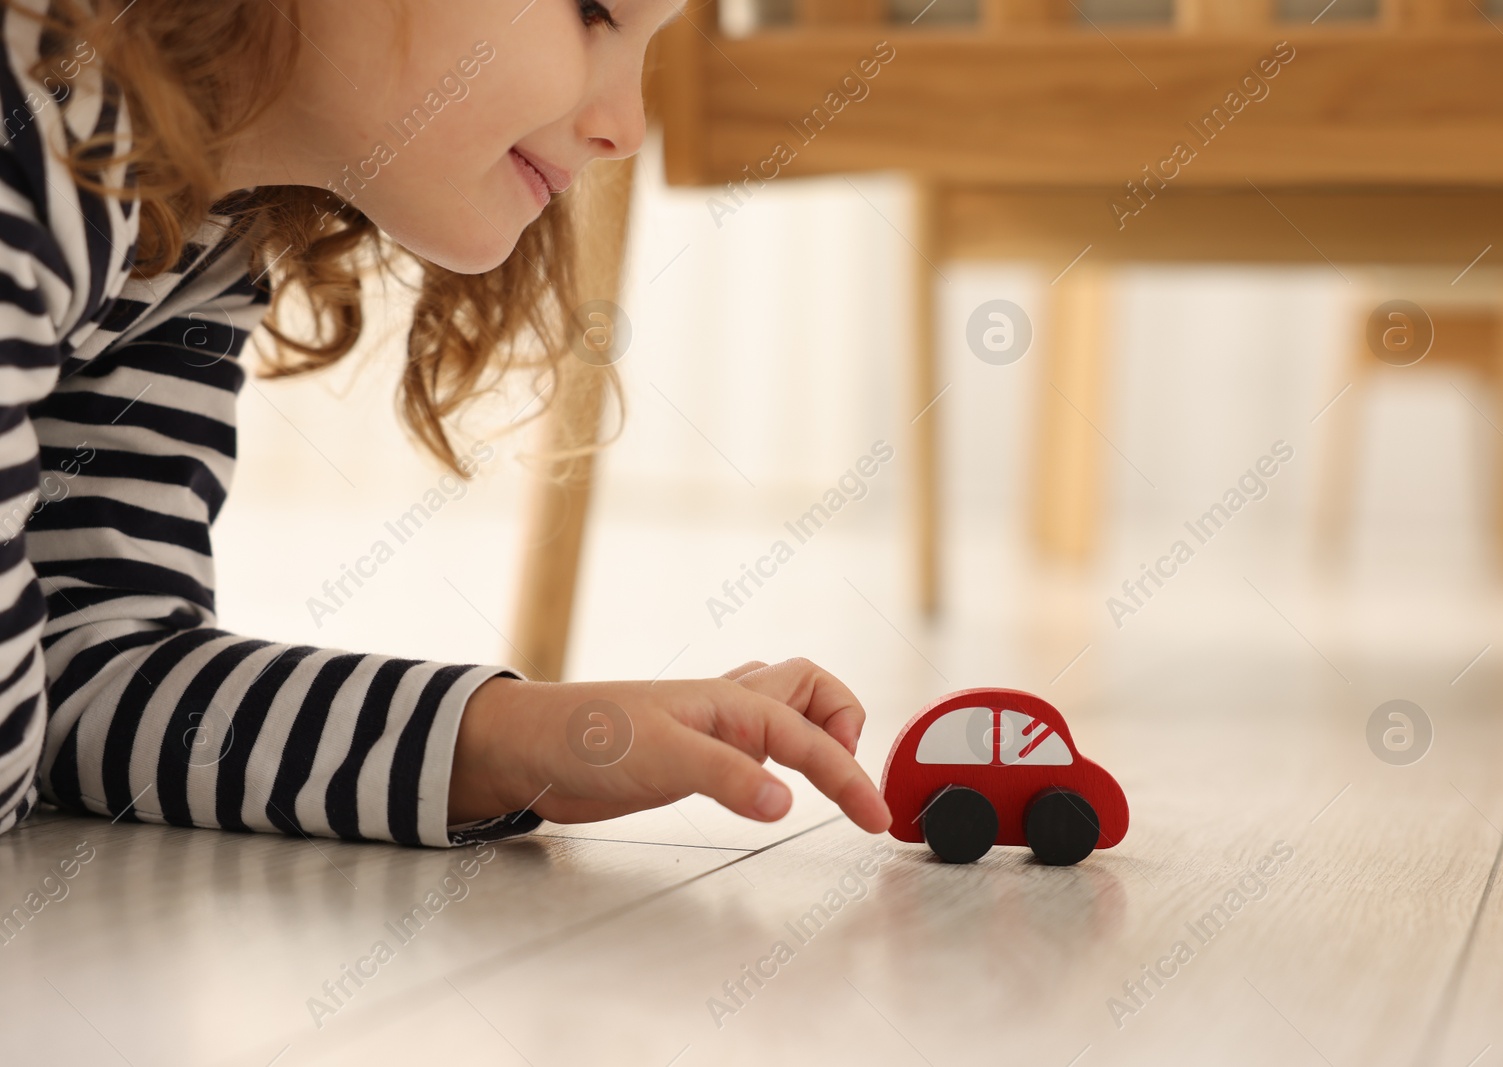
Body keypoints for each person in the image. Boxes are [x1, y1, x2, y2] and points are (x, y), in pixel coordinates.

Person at [0, 0, 893, 848]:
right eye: (591, 11)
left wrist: (511, 738)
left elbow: (86, 663)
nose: (627, 126)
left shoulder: (198, 238)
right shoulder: (35, 128)